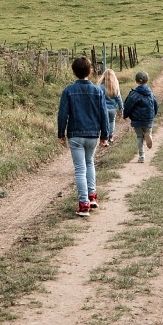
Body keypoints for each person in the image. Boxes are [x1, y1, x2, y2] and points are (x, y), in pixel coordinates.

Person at [57, 55, 111, 216]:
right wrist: (105, 135)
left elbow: (63, 114)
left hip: (75, 134)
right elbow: (104, 114)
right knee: (90, 164)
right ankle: (92, 196)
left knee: (80, 169)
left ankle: (83, 204)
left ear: (74, 72)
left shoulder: (68, 91)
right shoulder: (97, 91)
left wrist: (61, 133)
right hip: (93, 134)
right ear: (91, 71)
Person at [122, 70, 159, 162]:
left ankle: (141, 156)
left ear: (136, 81)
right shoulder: (150, 94)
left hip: (137, 120)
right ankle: (149, 135)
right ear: (147, 81)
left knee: (139, 136)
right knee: (147, 132)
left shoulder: (134, 94)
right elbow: (156, 105)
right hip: (148, 120)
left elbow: (128, 105)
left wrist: (125, 115)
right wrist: (153, 115)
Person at [97, 62, 123, 141]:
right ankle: (110, 135)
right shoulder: (115, 88)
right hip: (112, 109)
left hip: (103, 109)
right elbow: (119, 99)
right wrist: (121, 108)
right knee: (112, 121)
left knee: (103, 122)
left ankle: (104, 136)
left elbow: (97, 99)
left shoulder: (100, 87)